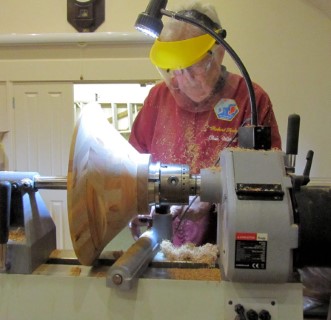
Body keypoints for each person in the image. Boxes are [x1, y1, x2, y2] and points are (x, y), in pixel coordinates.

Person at [129, 1, 281, 246]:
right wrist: (135, 204)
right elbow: (132, 166)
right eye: (173, 70)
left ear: (218, 51)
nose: (180, 81)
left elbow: (267, 185)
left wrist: (214, 196)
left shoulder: (250, 100)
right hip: (162, 246)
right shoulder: (158, 98)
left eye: (191, 68)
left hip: (227, 247)